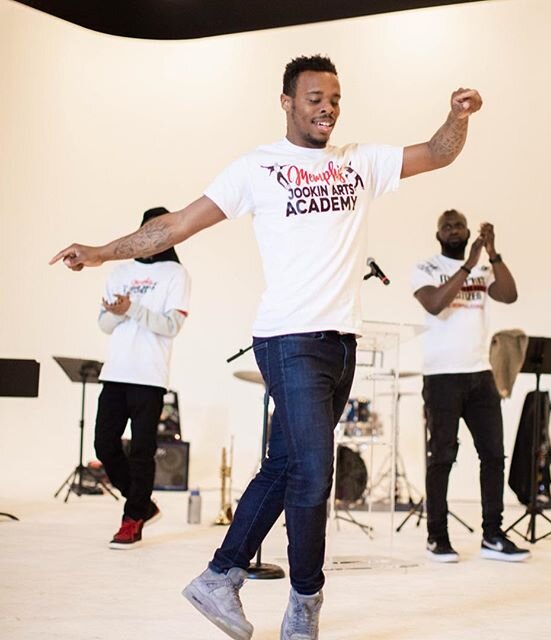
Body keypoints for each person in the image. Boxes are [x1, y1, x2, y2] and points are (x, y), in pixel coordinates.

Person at [51, 55, 482, 640]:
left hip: (342, 343)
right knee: (312, 470)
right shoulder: (259, 167)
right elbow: (176, 225)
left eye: (334, 97)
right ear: (286, 102)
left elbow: (438, 152)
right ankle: (305, 600)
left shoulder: (359, 162)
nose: (326, 107)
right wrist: (104, 251)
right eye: (313, 98)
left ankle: (219, 577)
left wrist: (457, 116)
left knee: (284, 464)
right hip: (287, 337)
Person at [411, 209, 530, 563]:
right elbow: (434, 305)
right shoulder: (426, 268)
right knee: (442, 457)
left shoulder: (484, 265)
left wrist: (492, 253)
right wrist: (469, 265)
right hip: (441, 375)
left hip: (480, 373)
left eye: (458, 225)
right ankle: (437, 537)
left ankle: (492, 535)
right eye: (446, 225)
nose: (453, 230)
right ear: (438, 235)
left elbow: (509, 295)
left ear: (467, 231)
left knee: (493, 455)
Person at [94, 206, 191, 550]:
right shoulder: (120, 271)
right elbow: (104, 325)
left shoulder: (176, 275)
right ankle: (143, 504)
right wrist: (117, 312)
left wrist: (130, 309)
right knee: (104, 446)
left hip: (149, 376)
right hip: (115, 372)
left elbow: (171, 326)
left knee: (141, 451)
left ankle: (132, 519)